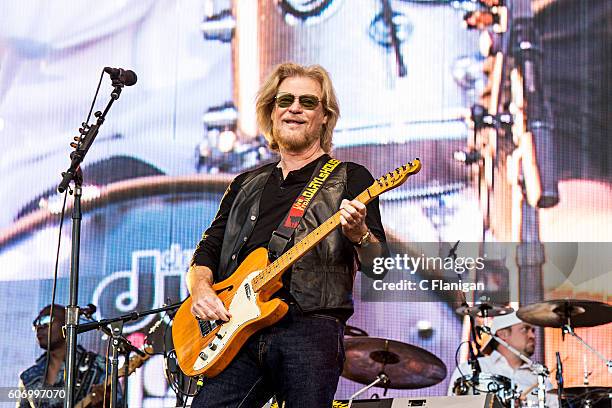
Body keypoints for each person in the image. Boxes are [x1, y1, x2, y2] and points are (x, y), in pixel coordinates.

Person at [187, 62, 387, 407]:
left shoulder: (350, 177)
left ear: (325, 116)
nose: (295, 108)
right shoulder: (245, 184)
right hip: (238, 330)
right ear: (272, 111)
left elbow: (379, 265)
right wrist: (201, 288)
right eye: (285, 100)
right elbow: (208, 249)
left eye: (308, 102)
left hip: (311, 329)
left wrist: (359, 233)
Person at [447, 312, 559, 407]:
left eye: (533, 331)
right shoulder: (470, 370)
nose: (532, 336)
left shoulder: (539, 378)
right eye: (525, 329)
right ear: (503, 334)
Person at [17, 305, 115, 408]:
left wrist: (104, 404)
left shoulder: (99, 365)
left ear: (67, 324)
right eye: (36, 323)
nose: (39, 326)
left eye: (46, 320)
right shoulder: (28, 377)